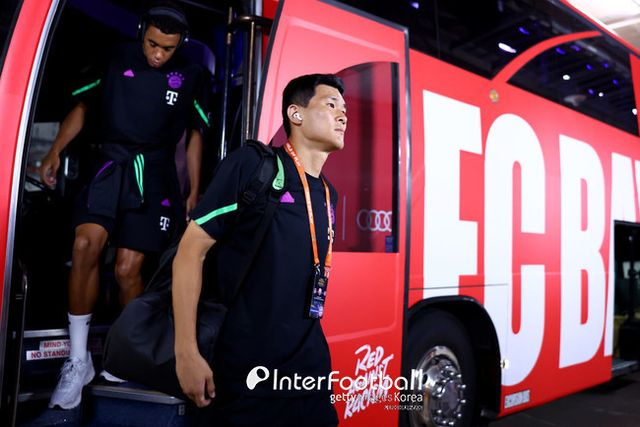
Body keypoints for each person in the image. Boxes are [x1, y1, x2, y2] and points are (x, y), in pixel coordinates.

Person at [39, 1, 209, 410]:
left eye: (167, 48)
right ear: (141, 33)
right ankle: (78, 360)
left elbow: (195, 134)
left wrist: (194, 190)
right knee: (85, 246)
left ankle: (129, 356)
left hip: (154, 172)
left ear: (180, 45)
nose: (158, 54)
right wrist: (55, 151)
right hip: (110, 164)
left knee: (128, 270)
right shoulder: (115, 57)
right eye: (152, 44)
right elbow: (82, 107)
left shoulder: (191, 74)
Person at [172, 73, 346, 426]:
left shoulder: (330, 195)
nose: (343, 115)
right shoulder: (255, 166)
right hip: (245, 374)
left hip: (309, 372)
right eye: (331, 105)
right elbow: (191, 252)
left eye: (345, 108)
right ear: (296, 114)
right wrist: (186, 352)